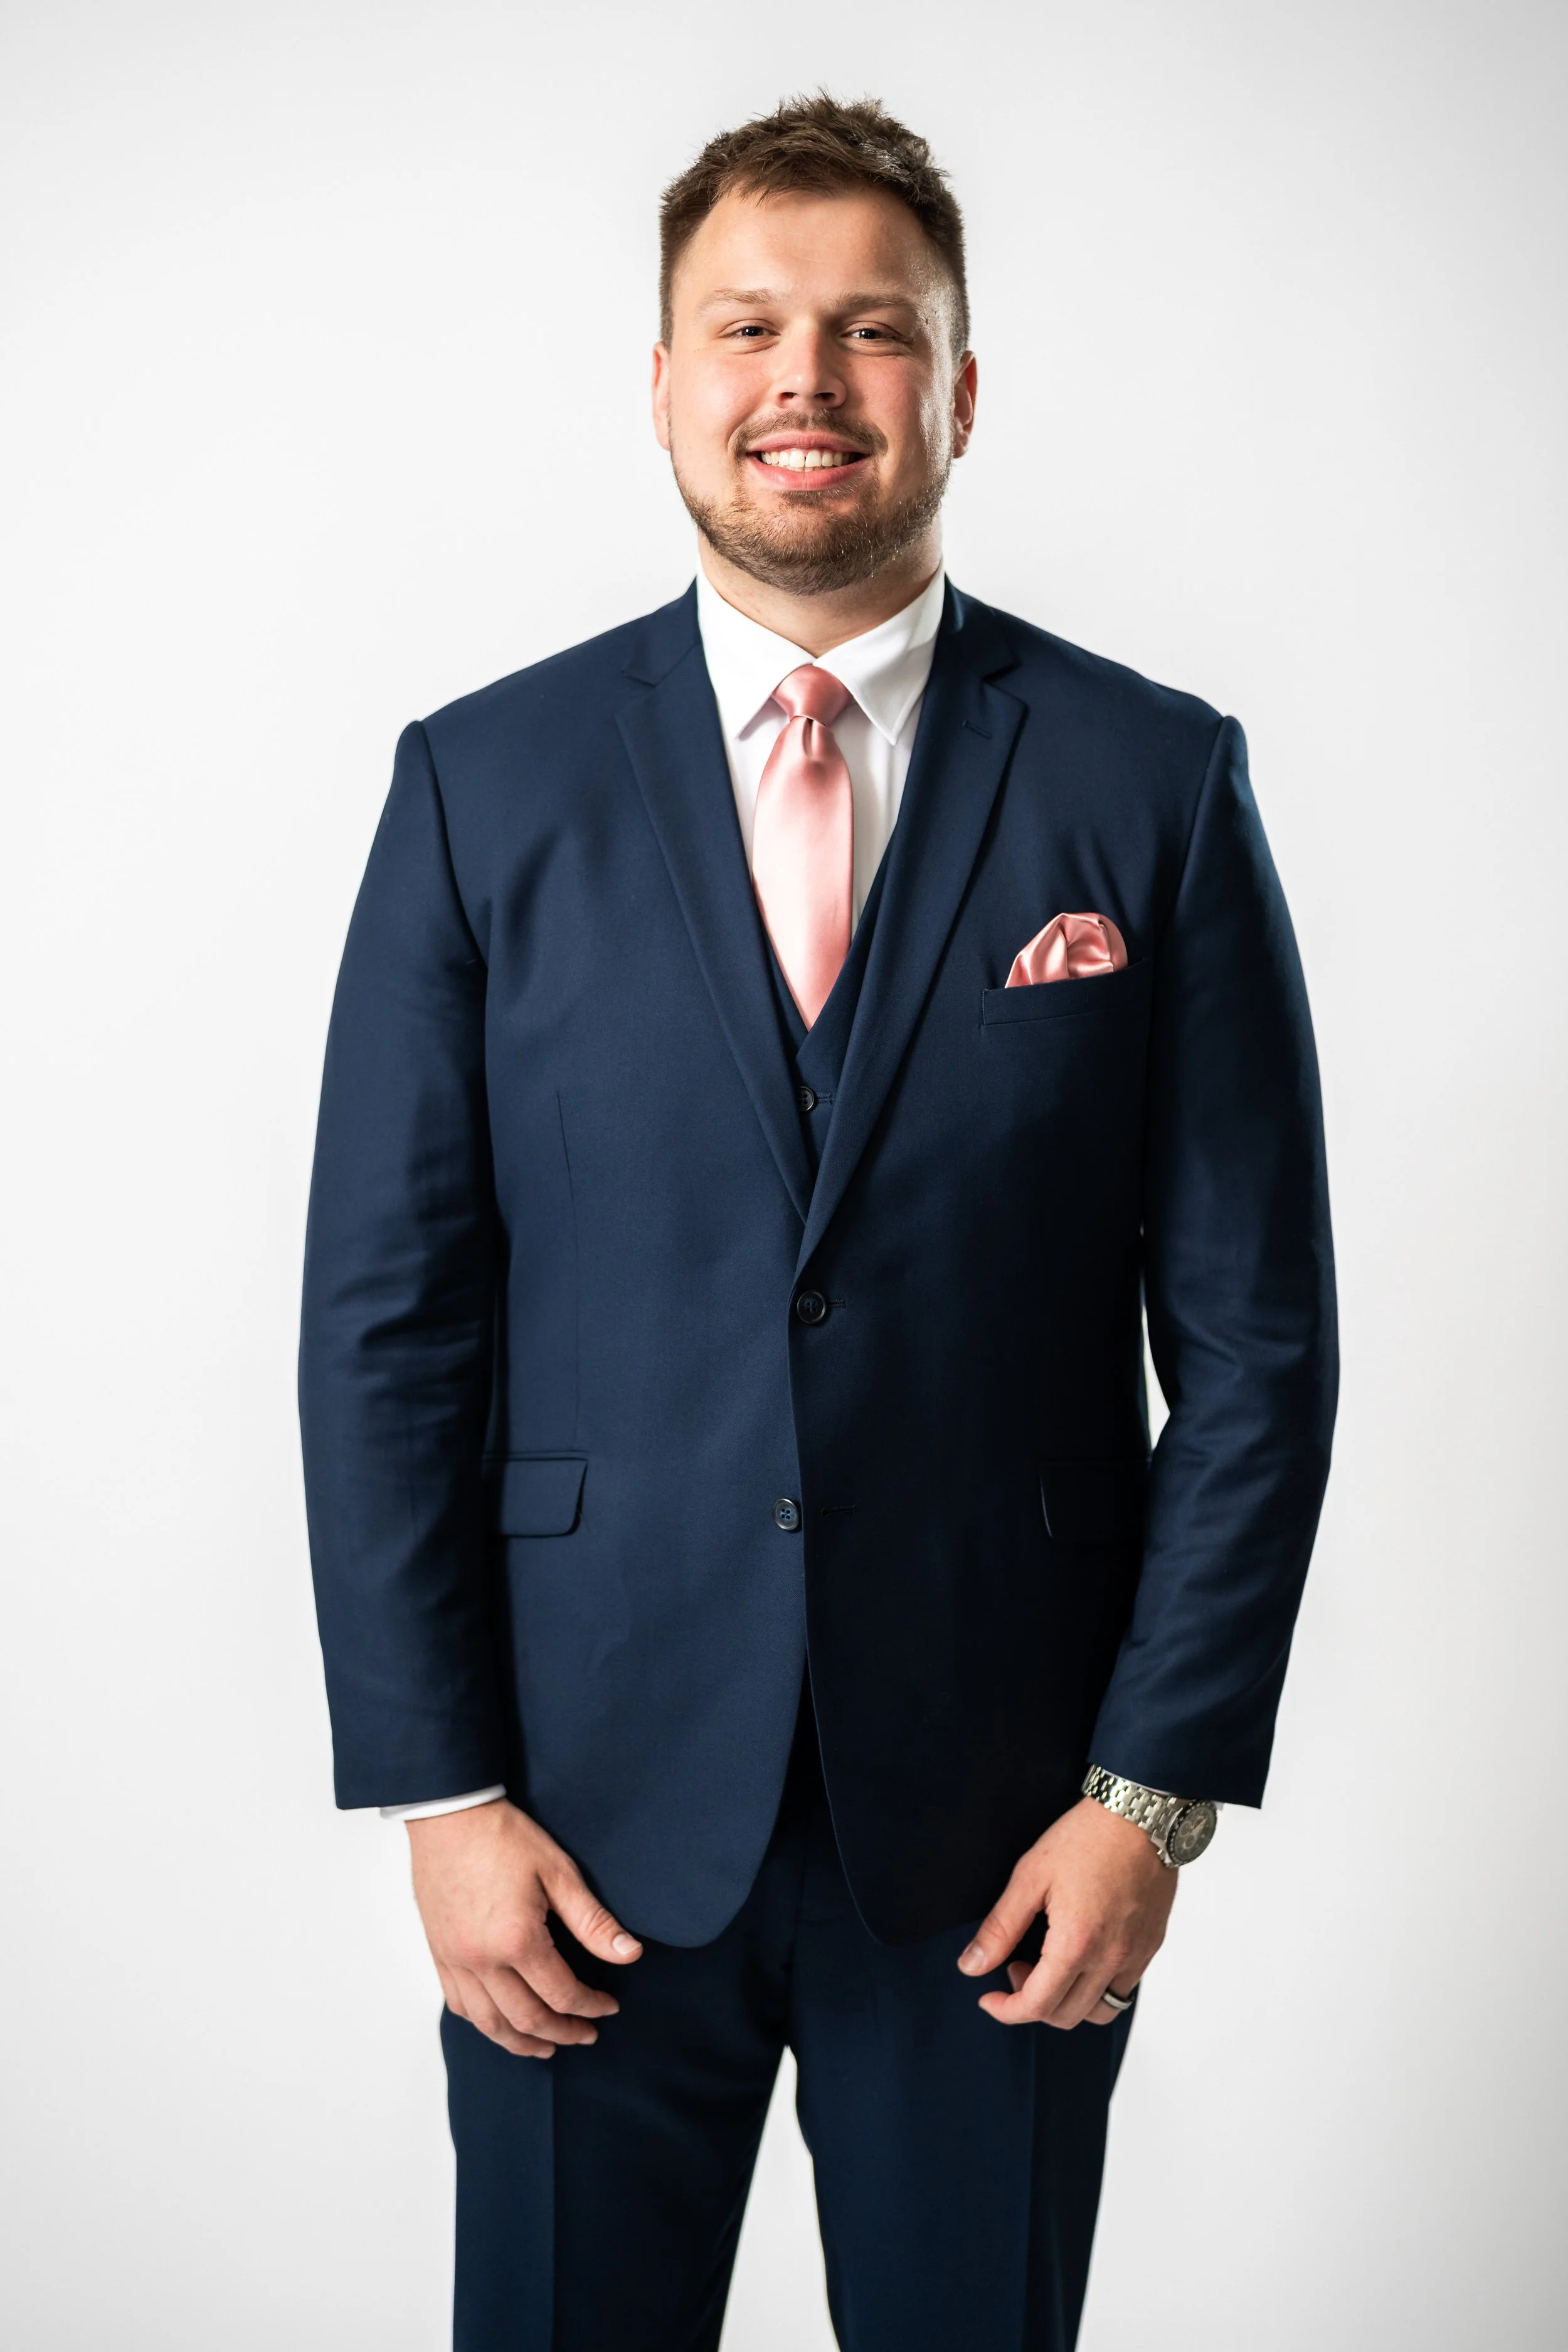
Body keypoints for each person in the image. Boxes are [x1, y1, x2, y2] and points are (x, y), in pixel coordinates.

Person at [299, 92, 1337, 2352]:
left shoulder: (1150, 783)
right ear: (660, 380)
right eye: (746, 325)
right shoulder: (482, 785)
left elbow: (1256, 1341)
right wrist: (440, 1792)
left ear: (956, 390)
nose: (805, 377)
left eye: (872, 331)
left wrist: (1147, 1796)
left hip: (1005, 1834)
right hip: (572, 1829)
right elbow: (387, 1321)